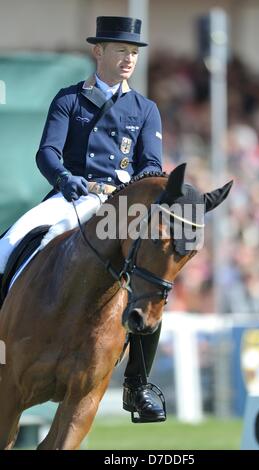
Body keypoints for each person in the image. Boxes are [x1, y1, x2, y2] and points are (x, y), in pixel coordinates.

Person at [0, 16, 165, 422]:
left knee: (154, 283)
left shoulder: (145, 108)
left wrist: (130, 195)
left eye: (133, 53)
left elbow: (153, 165)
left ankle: (138, 386)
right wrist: (67, 180)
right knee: (8, 242)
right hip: (71, 197)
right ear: (99, 52)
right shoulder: (70, 99)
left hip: (118, 208)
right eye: (121, 51)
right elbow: (47, 153)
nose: (129, 59)